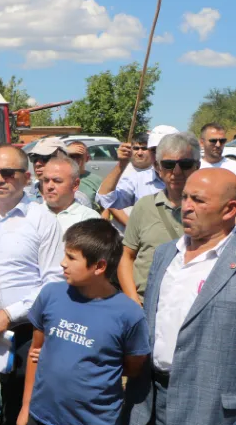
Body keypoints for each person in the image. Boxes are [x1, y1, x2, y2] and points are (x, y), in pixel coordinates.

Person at [126, 168, 236, 425]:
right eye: (185, 197)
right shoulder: (165, 254)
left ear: (229, 210)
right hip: (153, 405)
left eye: (198, 200)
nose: (186, 206)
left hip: (213, 418)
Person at [17, 219, 149, 425]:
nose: (62, 263)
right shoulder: (51, 294)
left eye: (71, 257)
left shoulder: (129, 314)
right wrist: (26, 406)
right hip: (42, 419)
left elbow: (133, 365)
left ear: (99, 266)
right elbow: (36, 352)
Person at [0, 144, 64, 425]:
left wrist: (9, 314)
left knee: (16, 412)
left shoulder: (43, 220)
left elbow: (53, 282)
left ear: (26, 177)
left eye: (8, 173)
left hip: (23, 330)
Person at [118, 132, 200, 305]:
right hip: (145, 305)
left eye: (185, 164)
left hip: (191, 306)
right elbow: (126, 256)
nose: (176, 172)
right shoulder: (144, 206)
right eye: (169, 165)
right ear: (157, 167)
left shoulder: (212, 208)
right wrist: (133, 301)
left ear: (197, 166)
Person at [96, 125, 179, 210]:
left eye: (165, 150)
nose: (159, 157)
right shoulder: (137, 180)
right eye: (154, 150)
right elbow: (105, 200)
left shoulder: (187, 179)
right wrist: (122, 164)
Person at [40, 157, 101, 235]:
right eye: (46, 180)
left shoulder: (89, 219)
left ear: (75, 185)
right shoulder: (30, 214)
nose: (49, 186)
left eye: (57, 181)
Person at [25, 138, 91, 207]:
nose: (37, 164)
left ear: (63, 159)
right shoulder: (22, 196)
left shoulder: (79, 200)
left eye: (45, 158)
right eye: (34, 158)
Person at [66, 141, 103, 205]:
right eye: (71, 156)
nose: (75, 159)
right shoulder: (56, 178)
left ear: (87, 158)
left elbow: (106, 205)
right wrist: (65, 150)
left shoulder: (97, 180)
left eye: (78, 156)